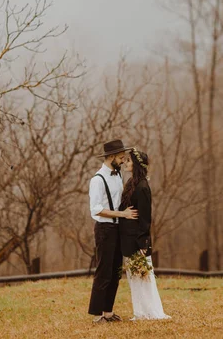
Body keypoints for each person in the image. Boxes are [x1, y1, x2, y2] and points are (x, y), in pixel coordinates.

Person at [88, 139, 138, 324]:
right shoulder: (97, 180)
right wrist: (122, 214)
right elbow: (96, 209)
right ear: (110, 157)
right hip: (105, 229)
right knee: (103, 272)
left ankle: (108, 312)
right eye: (120, 157)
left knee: (116, 271)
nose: (124, 160)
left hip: (118, 228)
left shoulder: (117, 176)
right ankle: (96, 315)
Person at [119, 148, 171, 320]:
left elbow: (145, 218)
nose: (125, 163)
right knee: (133, 277)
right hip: (127, 237)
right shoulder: (130, 183)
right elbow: (123, 208)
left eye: (128, 161)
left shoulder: (142, 187)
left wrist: (143, 242)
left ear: (136, 164)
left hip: (138, 239)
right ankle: (140, 312)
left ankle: (153, 312)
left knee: (144, 276)